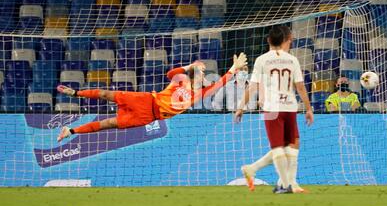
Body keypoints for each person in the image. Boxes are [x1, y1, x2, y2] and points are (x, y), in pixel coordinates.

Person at [56, 53, 248, 141]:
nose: (203, 77)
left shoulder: (200, 94)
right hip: (147, 99)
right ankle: (76, 93)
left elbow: (222, 82)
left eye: (203, 75)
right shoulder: (181, 81)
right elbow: (170, 73)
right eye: (200, 74)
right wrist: (190, 66)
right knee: (107, 94)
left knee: (108, 123)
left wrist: (234, 68)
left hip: (148, 117)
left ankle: (70, 131)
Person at [235, 25, 314, 194]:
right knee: (289, 145)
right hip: (289, 106)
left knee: (283, 146)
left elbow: (252, 86)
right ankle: (288, 184)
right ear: (285, 40)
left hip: (271, 107)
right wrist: (308, 108)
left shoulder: (262, 60)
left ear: (269, 40)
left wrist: (241, 107)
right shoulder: (292, 59)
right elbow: (300, 87)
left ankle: (277, 179)